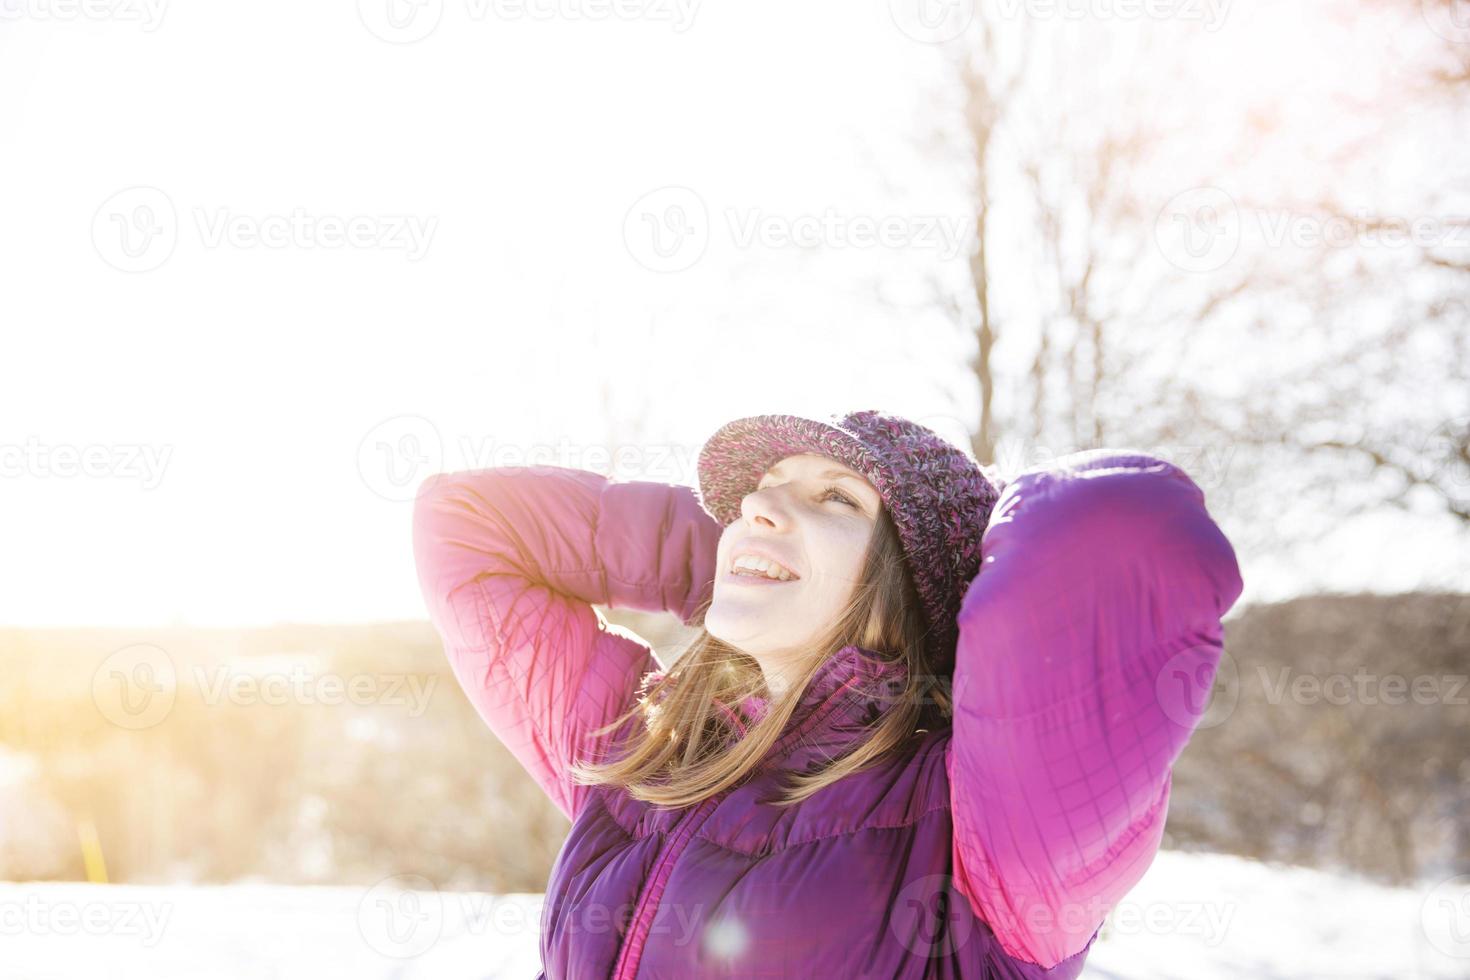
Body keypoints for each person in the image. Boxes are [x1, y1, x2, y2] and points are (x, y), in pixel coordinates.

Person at [411, 409, 1244, 978]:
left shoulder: (980, 832)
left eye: (833, 497)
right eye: (755, 494)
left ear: (913, 584)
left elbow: (1117, 527)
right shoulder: (652, 750)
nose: (760, 506)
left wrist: (797, 569)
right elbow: (469, 525)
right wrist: (734, 563)